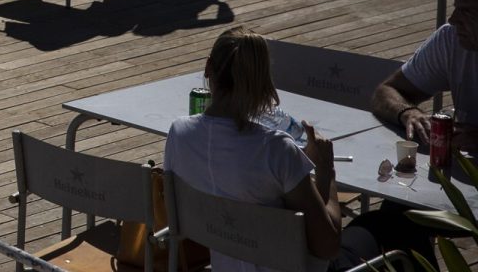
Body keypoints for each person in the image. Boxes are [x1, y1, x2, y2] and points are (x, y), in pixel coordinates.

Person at [169, 26, 421, 270]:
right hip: (296, 264)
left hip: (226, 261)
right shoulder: (276, 150)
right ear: (262, 81)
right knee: (390, 223)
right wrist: (325, 171)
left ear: (208, 67)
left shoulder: (179, 134)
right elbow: (327, 247)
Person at [374, 0, 478, 155]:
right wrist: (408, 112)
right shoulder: (451, 40)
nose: (453, 20)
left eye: (466, 12)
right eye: (456, 9)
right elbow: (386, 91)